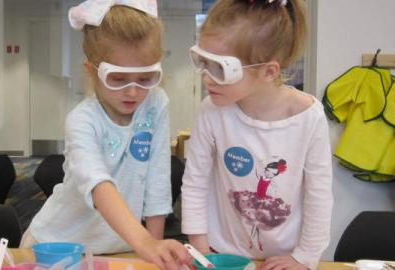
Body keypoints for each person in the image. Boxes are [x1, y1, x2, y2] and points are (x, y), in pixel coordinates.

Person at [22, 1, 189, 270]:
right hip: (58, 245)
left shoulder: (156, 103)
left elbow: (158, 181)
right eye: (119, 79)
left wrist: (154, 250)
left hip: (121, 246)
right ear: (92, 70)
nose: (133, 92)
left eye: (145, 78)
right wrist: (145, 243)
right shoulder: (82, 120)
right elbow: (99, 187)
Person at [181, 1, 333, 270]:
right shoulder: (211, 111)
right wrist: (202, 251)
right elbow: (195, 182)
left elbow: (318, 195)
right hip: (221, 251)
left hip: (284, 259)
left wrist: (305, 257)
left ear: (268, 71)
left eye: (220, 68)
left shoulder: (309, 118)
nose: (206, 77)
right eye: (202, 61)